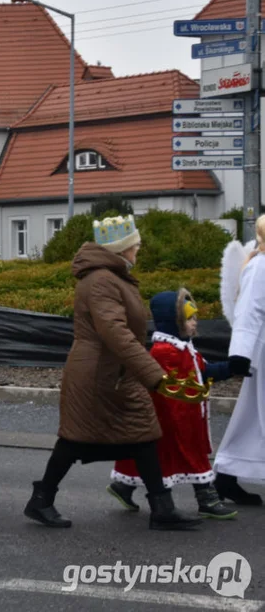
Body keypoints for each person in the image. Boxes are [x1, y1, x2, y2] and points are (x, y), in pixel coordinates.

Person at [23, 216, 201, 530]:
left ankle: (161, 506)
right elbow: (116, 333)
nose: (138, 249)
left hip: (113, 373)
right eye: (135, 245)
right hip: (99, 376)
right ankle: (42, 499)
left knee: (143, 433)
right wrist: (154, 374)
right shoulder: (102, 280)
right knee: (74, 440)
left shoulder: (111, 276)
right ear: (122, 248)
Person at [108, 289, 242, 519]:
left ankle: (123, 486)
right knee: (187, 454)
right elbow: (167, 392)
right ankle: (206, 498)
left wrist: (232, 368)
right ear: (174, 322)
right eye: (189, 319)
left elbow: (203, 371)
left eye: (194, 318)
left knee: (158, 457)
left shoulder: (183, 347)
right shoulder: (166, 352)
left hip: (187, 415)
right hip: (175, 419)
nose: (195, 323)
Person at [212, 216, 265, 506]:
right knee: (255, 415)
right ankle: (228, 474)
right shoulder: (259, 267)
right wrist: (240, 354)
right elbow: (249, 311)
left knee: (251, 416)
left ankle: (228, 474)